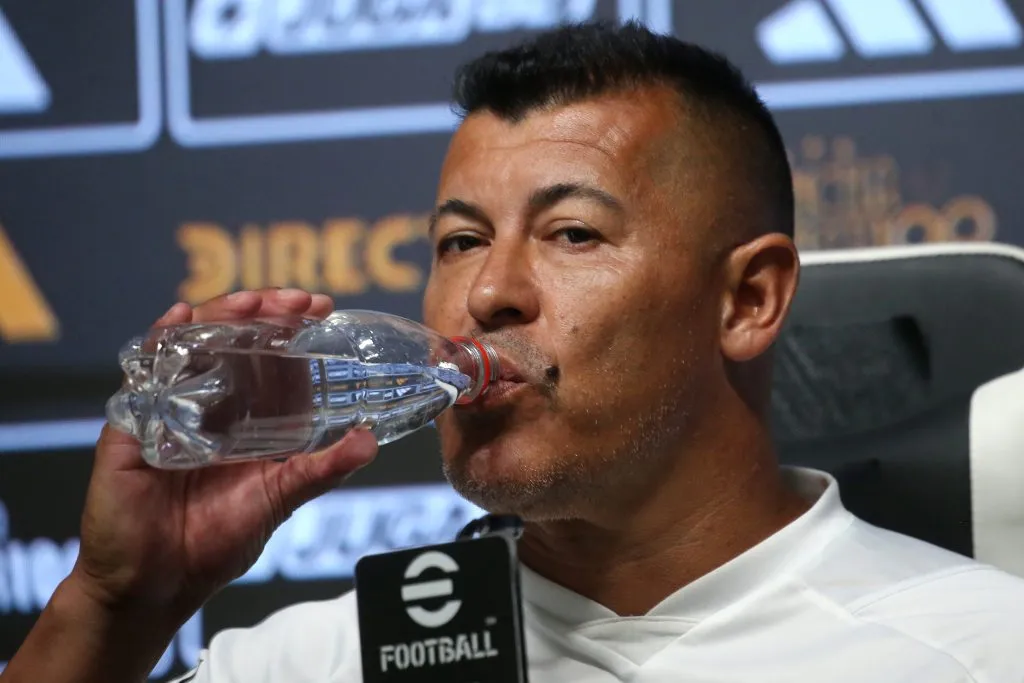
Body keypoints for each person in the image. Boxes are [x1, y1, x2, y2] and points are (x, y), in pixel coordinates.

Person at [6, 21, 1024, 683]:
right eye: (458, 241)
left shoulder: (979, 649)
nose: (487, 292)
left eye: (571, 232)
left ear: (747, 299)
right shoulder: (322, 660)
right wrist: (114, 605)